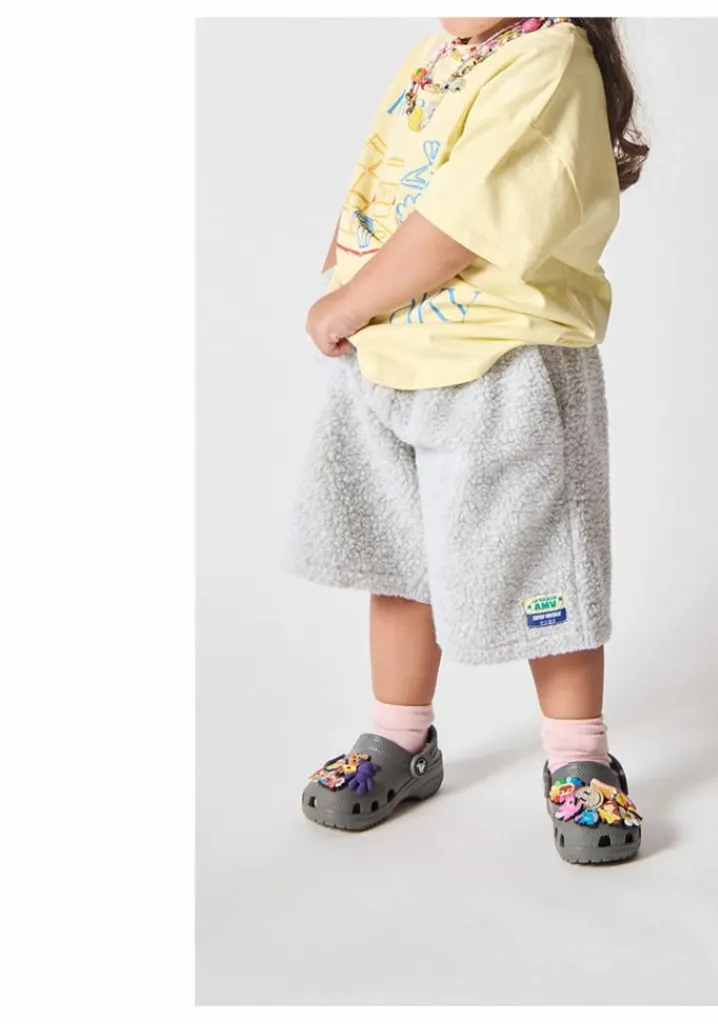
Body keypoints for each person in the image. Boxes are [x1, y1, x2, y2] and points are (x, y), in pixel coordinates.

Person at [287, 16, 649, 864]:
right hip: (395, 350)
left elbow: (462, 220)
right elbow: (388, 166)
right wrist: (350, 260)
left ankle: (580, 755)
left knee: (545, 561)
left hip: (502, 359)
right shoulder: (443, 52)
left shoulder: (548, 55)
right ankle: (400, 735)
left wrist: (350, 301)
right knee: (397, 553)